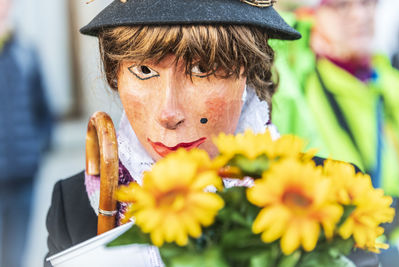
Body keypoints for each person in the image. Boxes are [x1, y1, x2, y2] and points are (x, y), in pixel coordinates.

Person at [45, 1, 378, 266]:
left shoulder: (336, 196)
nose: (168, 112)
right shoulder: (73, 207)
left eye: (202, 69)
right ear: (115, 75)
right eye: (145, 70)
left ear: (249, 74)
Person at [271, 0, 399, 196]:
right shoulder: (297, 76)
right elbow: (268, 39)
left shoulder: (390, 83)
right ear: (312, 13)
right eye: (341, 5)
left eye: (367, 3)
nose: (359, 16)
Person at [0, 0, 53, 267]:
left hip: (23, 174)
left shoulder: (25, 51)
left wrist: (37, 147)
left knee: (14, 255)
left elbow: (43, 108)